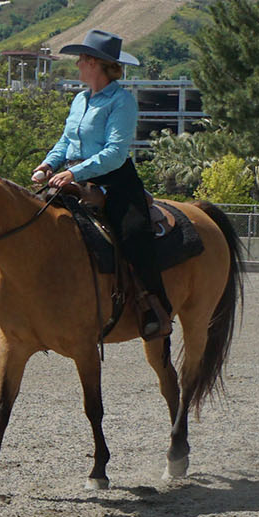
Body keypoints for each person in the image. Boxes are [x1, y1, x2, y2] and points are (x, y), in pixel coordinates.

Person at [31, 29, 170, 340]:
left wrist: (75, 173)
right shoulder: (80, 100)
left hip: (115, 179)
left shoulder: (122, 101)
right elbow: (66, 140)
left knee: (133, 233)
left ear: (95, 63)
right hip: (70, 176)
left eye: (81, 59)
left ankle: (153, 307)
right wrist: (49, 163)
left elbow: (116, 152)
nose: (78, 64)